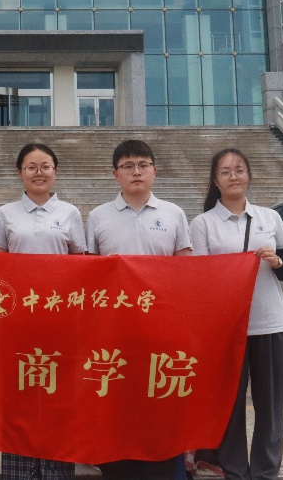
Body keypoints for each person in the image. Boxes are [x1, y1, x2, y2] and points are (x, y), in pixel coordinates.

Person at [85, 138, 191, 480]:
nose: (136, 172)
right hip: (114, 329)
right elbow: (89, 273)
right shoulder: (99, 216)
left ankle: (164, 466)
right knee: (116, 400)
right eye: (128, 166)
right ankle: (116, 466)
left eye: (143, 165)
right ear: (115, 174)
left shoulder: (173, 214)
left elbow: (185, 270)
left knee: (159, 398)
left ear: (154, 171)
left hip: (161, 327)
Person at [189, 149, 283, 480]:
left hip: (270, 323)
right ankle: (234, 470)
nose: (233, 176)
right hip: (226, 329)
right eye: (225, 172)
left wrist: (276, 261)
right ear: (215, 180)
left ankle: (265, 472)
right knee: (229, 406)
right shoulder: (203, 224)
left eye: (239, 170)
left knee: (270, 407)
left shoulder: (270, 218)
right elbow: (201, 279)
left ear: (248, 175)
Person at [0, 143, 84, 480]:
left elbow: (81, 266)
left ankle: (57, 468)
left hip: (59, 321)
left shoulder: (70, 213)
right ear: (20, 173)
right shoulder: (6, 213)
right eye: (31, 167)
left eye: (45, 166)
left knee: (58, 396)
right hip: (18, 322)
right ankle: (20, 469)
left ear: (55, 171)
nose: (39, 173)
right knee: (19, 396)